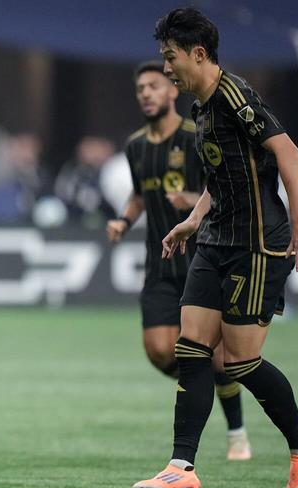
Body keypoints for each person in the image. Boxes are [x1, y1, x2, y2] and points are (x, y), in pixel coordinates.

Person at [132, 8, 298, 488]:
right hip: (216, 239)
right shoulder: (200, 106)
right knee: (191, 349)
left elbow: (288, 152)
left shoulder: (235, 97)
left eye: (171, 57)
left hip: (258, 245)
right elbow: (220, 178)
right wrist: (194, 218)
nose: (166, 67)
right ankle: (181, 467)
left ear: (198, 54)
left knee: (239, 361)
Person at [107, 62, 251, 460]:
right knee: (159, 350)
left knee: (213, 355)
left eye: (154, 86)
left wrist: (193, 202)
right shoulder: (136, 146)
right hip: (159, 265)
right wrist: (123, 221)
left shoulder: (195, 136)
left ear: (172, 91)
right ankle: (205, 381)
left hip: (201, 260)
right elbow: (139, 194)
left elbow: (224, 185)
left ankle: (237, 432)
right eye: (141, 88)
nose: (146, 93)